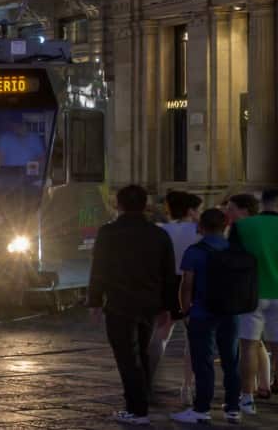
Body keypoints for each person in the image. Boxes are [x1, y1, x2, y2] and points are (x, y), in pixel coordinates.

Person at [90, 182, 180, 425]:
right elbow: (168, 274)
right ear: (145, 205)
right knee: (141, 352)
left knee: (127, 358)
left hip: (119, 303)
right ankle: (141, 402)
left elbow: (98, 269)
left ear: (117, 204)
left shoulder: (108, 233)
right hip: (149, 303)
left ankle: (137, 409)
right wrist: (169, 307)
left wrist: (95, 301)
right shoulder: (159, 234)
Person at [175, 205, 249, 423]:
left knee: (203, 361)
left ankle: (201, 409)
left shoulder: (195, 251)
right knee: (231, 361)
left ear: (201, 226)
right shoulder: (235, 250)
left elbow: (186, 285)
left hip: (201, 312)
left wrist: (185, 310)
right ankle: (233, 408)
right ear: (226, 226)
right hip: (231, 312)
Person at [233, 189, 278, 410]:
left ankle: (247, 398)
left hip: (251, 293)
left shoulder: (243, 227)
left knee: (248, 346)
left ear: (263, 203)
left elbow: (233, 259)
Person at [162, 191, 206, 403]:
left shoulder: (163, 230)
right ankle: (187, 386)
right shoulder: (199, 232)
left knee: (161, 333)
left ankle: (149, 376)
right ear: (191, 210)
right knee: (193, 339)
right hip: (193, 284)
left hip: (168, 283)